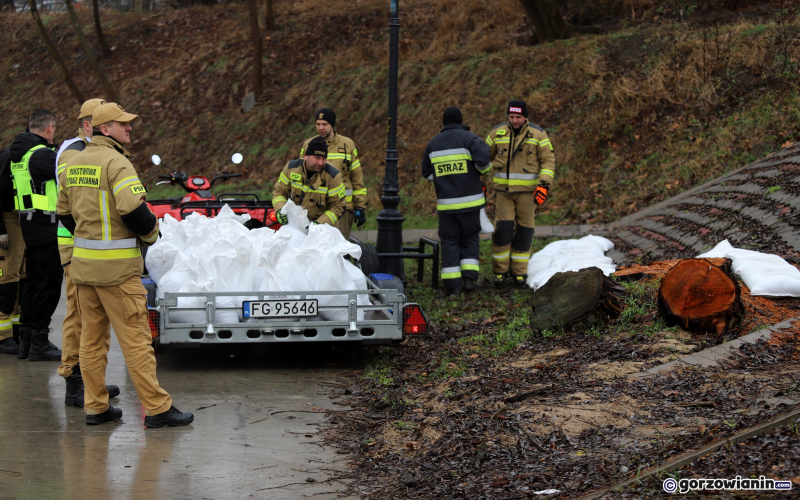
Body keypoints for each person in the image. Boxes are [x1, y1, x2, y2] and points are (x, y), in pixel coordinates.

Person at [57, 102, 193, 427]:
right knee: (136, 340)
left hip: (84, 269)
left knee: (91, 341)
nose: (129, 128)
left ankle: (96, 407)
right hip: (117, 273)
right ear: (105, 129)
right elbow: (136, 213)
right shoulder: (117, 164)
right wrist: (152, 237)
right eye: (122, 124)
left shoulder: (74, 164)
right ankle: (158, 409)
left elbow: (63, 214)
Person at [56, 98, 120, 408]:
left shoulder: (90, 152)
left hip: (87, 245)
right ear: (86, 125)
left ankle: (92, 379)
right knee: (79, 316)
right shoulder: (74, 153)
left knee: (94, 318)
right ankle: (74, 380)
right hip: (76, 246)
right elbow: (71, 206)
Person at [8, 109, 63, 360]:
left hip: (29, 225)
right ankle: (39, 342)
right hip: (47, 227)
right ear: (49, 128)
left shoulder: (17, 154)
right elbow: (68, 178)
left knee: (32, 282)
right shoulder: (42, 155)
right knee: (48, 285)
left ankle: (27, 342)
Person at [421, 107, 491, 296]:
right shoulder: (470, 139)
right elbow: (484, 161)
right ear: (460, 121)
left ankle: (452, 288)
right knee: (469, 239)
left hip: (447, 205)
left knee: (450, 242)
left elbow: (426, 173)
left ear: (443, 122)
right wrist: (476, 173)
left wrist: (444, 179)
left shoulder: (433, 143)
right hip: (471, 203)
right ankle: (469, 280)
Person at [485, 100, 555, 287]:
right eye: (511, 117)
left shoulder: (538, 134)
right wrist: (481, 185)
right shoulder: (497, 133)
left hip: (527, 194)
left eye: (518, 117)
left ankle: (519, 273)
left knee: (524, 231)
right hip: (503, 193)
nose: (515, 120)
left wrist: (543, 185)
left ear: (525, 117)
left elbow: (548, 161)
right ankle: (500, 272)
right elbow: (483, 159)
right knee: (503, 230)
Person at [299, 108, 367, 240]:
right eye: (318, 124)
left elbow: (357, 177)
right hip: (315, 208)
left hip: (343, 208)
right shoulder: (309, 145)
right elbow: (301, 176)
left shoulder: (347, 144)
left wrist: (360, 206)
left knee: (339, 248)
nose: (321, 128)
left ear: (332, 125)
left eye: (324, 124)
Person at [273, 136, 346, 226]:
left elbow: (338, 207)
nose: (321, 162)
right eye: (317, 158)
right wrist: (280, 210)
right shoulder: (291, 168)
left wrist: (319, 224)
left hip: (323, 230)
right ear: (306, 156)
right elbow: (279, 192)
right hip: (295, 225)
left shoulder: (333, 176)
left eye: (324, 159)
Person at [0, 142, 26, 355]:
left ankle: (15, 332)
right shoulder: (9, 157)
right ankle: (3, 336)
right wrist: (1, 230)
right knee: (7, 278)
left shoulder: (25, 154)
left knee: (18, 277)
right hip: (8, 219)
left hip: (20, 217)